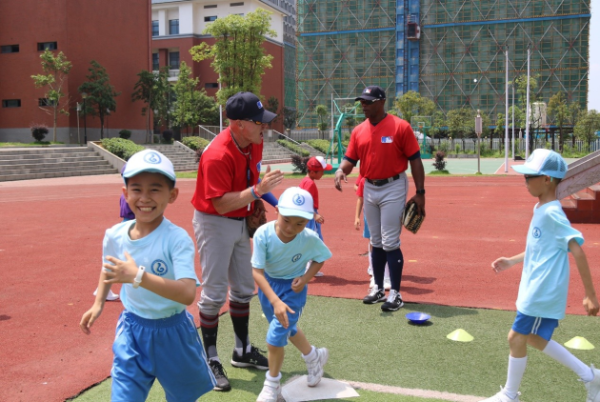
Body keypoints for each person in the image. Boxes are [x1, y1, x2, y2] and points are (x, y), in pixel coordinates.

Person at [80, 149, 216, 402]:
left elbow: (187, 293)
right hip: (132, 329)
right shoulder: (115, 235)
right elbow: (109, 267)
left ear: (172, 195)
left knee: (182, 397)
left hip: (173, 333)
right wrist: (98, 303)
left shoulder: (176, 239)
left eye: (155, 189)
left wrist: (137, 276)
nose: (144, 198)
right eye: (136, 189)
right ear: (125, 194)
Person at [480, 149, 600, 402]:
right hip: (536, 286)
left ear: (547, 179)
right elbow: (540, 246)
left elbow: (577, 251)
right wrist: (512, 261)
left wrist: (591, 296)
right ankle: (592, 377)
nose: (525, 181)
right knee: (533, 338)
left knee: (515, 337)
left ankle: (510, 395)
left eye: (530, 176)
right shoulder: (541, 208)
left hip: (542, 289)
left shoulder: (552, 213)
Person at [192, 91, 285, 391]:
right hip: (214, 223)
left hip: (240, 221)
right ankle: (209, 358)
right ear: (239, 124)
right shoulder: (217, 154)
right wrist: (257, 193)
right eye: (259, 122)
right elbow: (219, 204)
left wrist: (277, 204)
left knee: (244, 287)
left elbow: (254, 183)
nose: (264, 127)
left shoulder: (251, 144)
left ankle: (241, 351)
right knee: (214, 293)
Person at [334, 85, 425, 312]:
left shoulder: (400, 127)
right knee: (375, 242)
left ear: (381, 102)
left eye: (367, 101)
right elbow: (350, 159)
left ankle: (395, 293)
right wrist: (340, 170)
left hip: (393, 186)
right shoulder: (358, 131)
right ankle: (377, 288)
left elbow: (415, 160)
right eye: (362, 102)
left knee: (390, 241)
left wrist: (420, 193)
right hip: (369, 187)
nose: (363, 105)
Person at [251, 187, 332, 402]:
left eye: (300, 223)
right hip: (268, 288)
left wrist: (305, 279)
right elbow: (257, 273)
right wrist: (275, 300)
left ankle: (272, 385)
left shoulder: (309, 237)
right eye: (286, 220)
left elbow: (320, 258)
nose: (291, 228)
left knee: (275, 338)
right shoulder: (263, 234)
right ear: (277, 210)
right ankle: (314, 357)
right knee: (288, 329)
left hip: (293, 291)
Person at [93, 165, 134, 302]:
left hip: (125, 223)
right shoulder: (131, 193)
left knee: (115, 260)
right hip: (131, 225)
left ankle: (102, 289)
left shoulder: (125, 193)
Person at [354, 175, 390, 290]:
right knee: (373, 242)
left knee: (386, 242)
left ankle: (387, 276)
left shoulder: (389, 178)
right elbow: (359, 197)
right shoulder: (365, 179)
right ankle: (375, 274)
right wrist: (357, 217)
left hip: (385, 214)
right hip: (370, 214)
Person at [300, 156, 331, 277]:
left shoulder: (305, 181)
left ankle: (309, 267)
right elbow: (304, 202)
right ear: (313, 171)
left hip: (306, 215)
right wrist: (315, 215)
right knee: (315, 241)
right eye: (322, 171)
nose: (323, 174)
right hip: (309, 216)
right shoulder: (309, 184)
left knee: (311, 241)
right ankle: (309, 268)